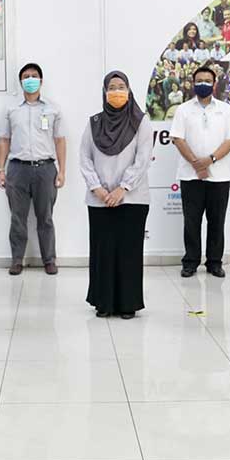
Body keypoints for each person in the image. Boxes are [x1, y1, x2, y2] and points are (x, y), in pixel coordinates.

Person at [79, 71, 153, 319]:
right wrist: (98, 189)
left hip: (132, 198)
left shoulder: (141, 122)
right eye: (112, 87)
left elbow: (143, 159)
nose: (117, 91)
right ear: (104, 92)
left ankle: (128, 303)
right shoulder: (94, 123)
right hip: (99, 199)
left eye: (121, 86)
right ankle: (104, 302)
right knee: (103, 251)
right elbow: (84, 157)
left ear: (129, 90)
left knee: (128, 251)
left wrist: (123, 188)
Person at [170, 66, 230, 278]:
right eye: (199, 80)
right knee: (191, 221)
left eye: (207, 80)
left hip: (219, 176)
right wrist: (196, 164)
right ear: (193, 83)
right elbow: (177, 138)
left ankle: (214, 262)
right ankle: (190, 262)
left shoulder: (225, 109)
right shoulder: (183, 110)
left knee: (216, 221)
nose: (203, 83)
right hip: (190, 175)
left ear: (214, 84)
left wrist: (210, 160)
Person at [0, 63, 67, 275]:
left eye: (34, 76)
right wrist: (1, 170)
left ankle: (49, 260)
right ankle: (17, 260)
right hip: (17, 169)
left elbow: (60, 140)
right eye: (26, 76)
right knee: (17, 218)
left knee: (45, 217)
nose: (30, 79)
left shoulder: (53, 109)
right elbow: (4, 140)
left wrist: (62, 171)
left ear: (41, 81)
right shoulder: (11, 109)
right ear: (21, 82)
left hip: (45, 169)